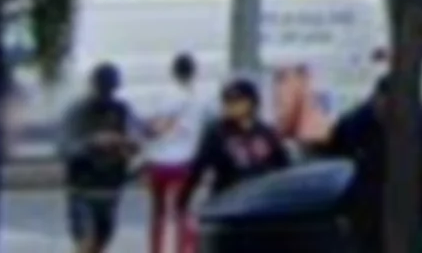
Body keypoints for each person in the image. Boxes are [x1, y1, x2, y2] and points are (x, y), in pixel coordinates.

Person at [325, 73, 422, 253]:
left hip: (406, 209)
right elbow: (336, 165)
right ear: (376, 99)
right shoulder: (356, 123)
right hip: (369, 213)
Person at [63, 64, 142, 253]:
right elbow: (65, 148)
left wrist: (128, 145)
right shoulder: (78, 112)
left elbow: (137, 137)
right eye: (103, 90)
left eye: (111, 90)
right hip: (84, 189)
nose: (107, 96)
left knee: (101, 242)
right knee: (86, 241)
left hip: (110, 189)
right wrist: (93, 142)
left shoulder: (122, 110)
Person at [138, 53, 206, 253]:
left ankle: (157, 248)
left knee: (158, 212)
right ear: (194, 72)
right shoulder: (199, 99)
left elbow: (154, 128)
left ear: (173, 72)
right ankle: (183, 248)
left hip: (159, 162)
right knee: (182, 212)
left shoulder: (167, 96)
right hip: (185, 162)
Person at [185, 80, 294, 202]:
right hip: (229, 201)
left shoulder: (267, 133)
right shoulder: (216, 133)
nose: (230, 105)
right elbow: (198, 168)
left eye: (235, 100)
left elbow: (284, 168)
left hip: (263, 200)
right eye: (226, 101)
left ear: (251, 102)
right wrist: (183, 201)